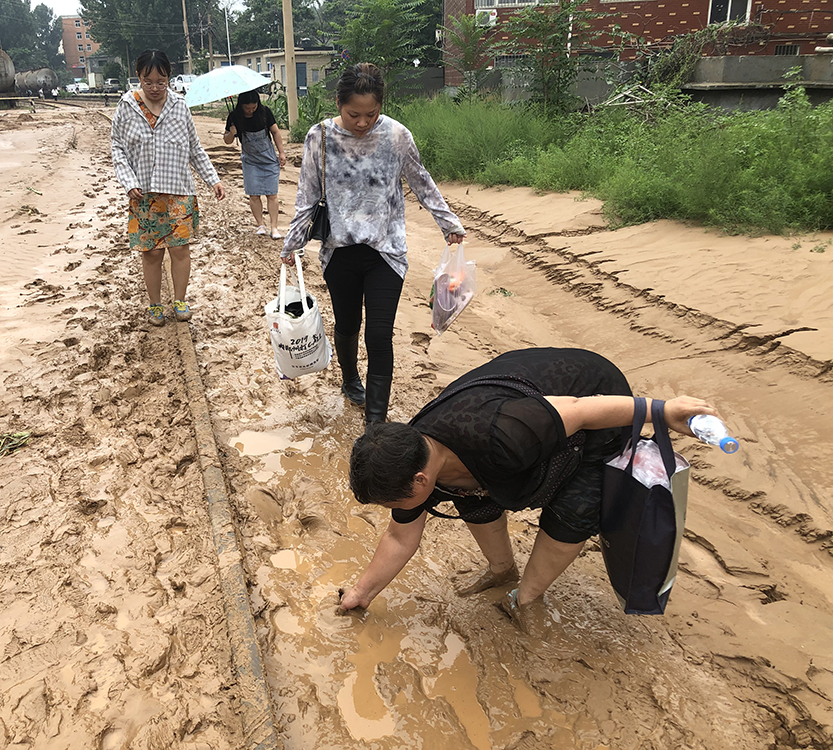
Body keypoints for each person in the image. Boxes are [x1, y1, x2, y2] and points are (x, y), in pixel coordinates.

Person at [340, 348, 721, 626]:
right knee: (472, 495)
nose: (393, 510)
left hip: (592, 397)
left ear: (420, 480)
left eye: (391, 501)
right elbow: (399, 537)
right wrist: (361, 593)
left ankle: (525, 597)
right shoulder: (414, 453)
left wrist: (663, 411)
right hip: (522, 391)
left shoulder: (504, 434)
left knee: (574, 510)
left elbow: (581, 409)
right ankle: (502, 569)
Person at [280, 63, 465, 424]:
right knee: (348, 325)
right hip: (340, 251)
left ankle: (375, 422)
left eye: (370, 114)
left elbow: (421, 181)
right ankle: (350, 379)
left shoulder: (396, 135)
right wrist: (293, 243)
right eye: (353, 114)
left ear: (381, 106)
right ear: (338, 103)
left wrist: (448, 223)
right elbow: (307, 196)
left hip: (386, 252)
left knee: (379, 335)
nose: (362, 123)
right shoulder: (319, 137)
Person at [111, 49, 225, 325]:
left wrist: (213, 179)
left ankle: (180, 300)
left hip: (179, 191)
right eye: (147, 81)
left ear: (169, 79)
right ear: (138, 77)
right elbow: (117, 149)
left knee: (180, 249)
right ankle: (155, 306)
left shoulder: (179, 106)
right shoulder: (126, 106)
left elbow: (194, 148)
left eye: (160, 82)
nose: (154, 88)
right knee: (151, 252)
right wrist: (129, 182)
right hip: (144, 193)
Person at [223, 90, 286, 239]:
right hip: (250, 161)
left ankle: (274, 227)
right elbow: (226, 140)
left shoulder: (264, 112)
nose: (251, 110)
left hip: (268, 159)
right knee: (254, 194)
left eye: (254, 107)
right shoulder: (234, 117)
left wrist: (281, 152)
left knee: (272, 194)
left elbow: (276, 132)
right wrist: (232, 133)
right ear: (241, 105)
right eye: (247, 108)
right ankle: (260, 225)